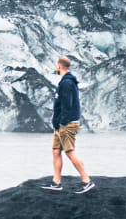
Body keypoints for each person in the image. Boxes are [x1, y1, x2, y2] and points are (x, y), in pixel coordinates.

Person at [41, 56, 95, 193]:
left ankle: (86, 181)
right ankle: (56, 182)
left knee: (70, 152)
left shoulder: (66, 83)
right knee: (55, 151)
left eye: (56, 66)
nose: (55, 68)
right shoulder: (66, 82)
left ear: (59, 66)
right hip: (61, 124)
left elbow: (67, 105)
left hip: (66, 124)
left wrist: (62, 122)